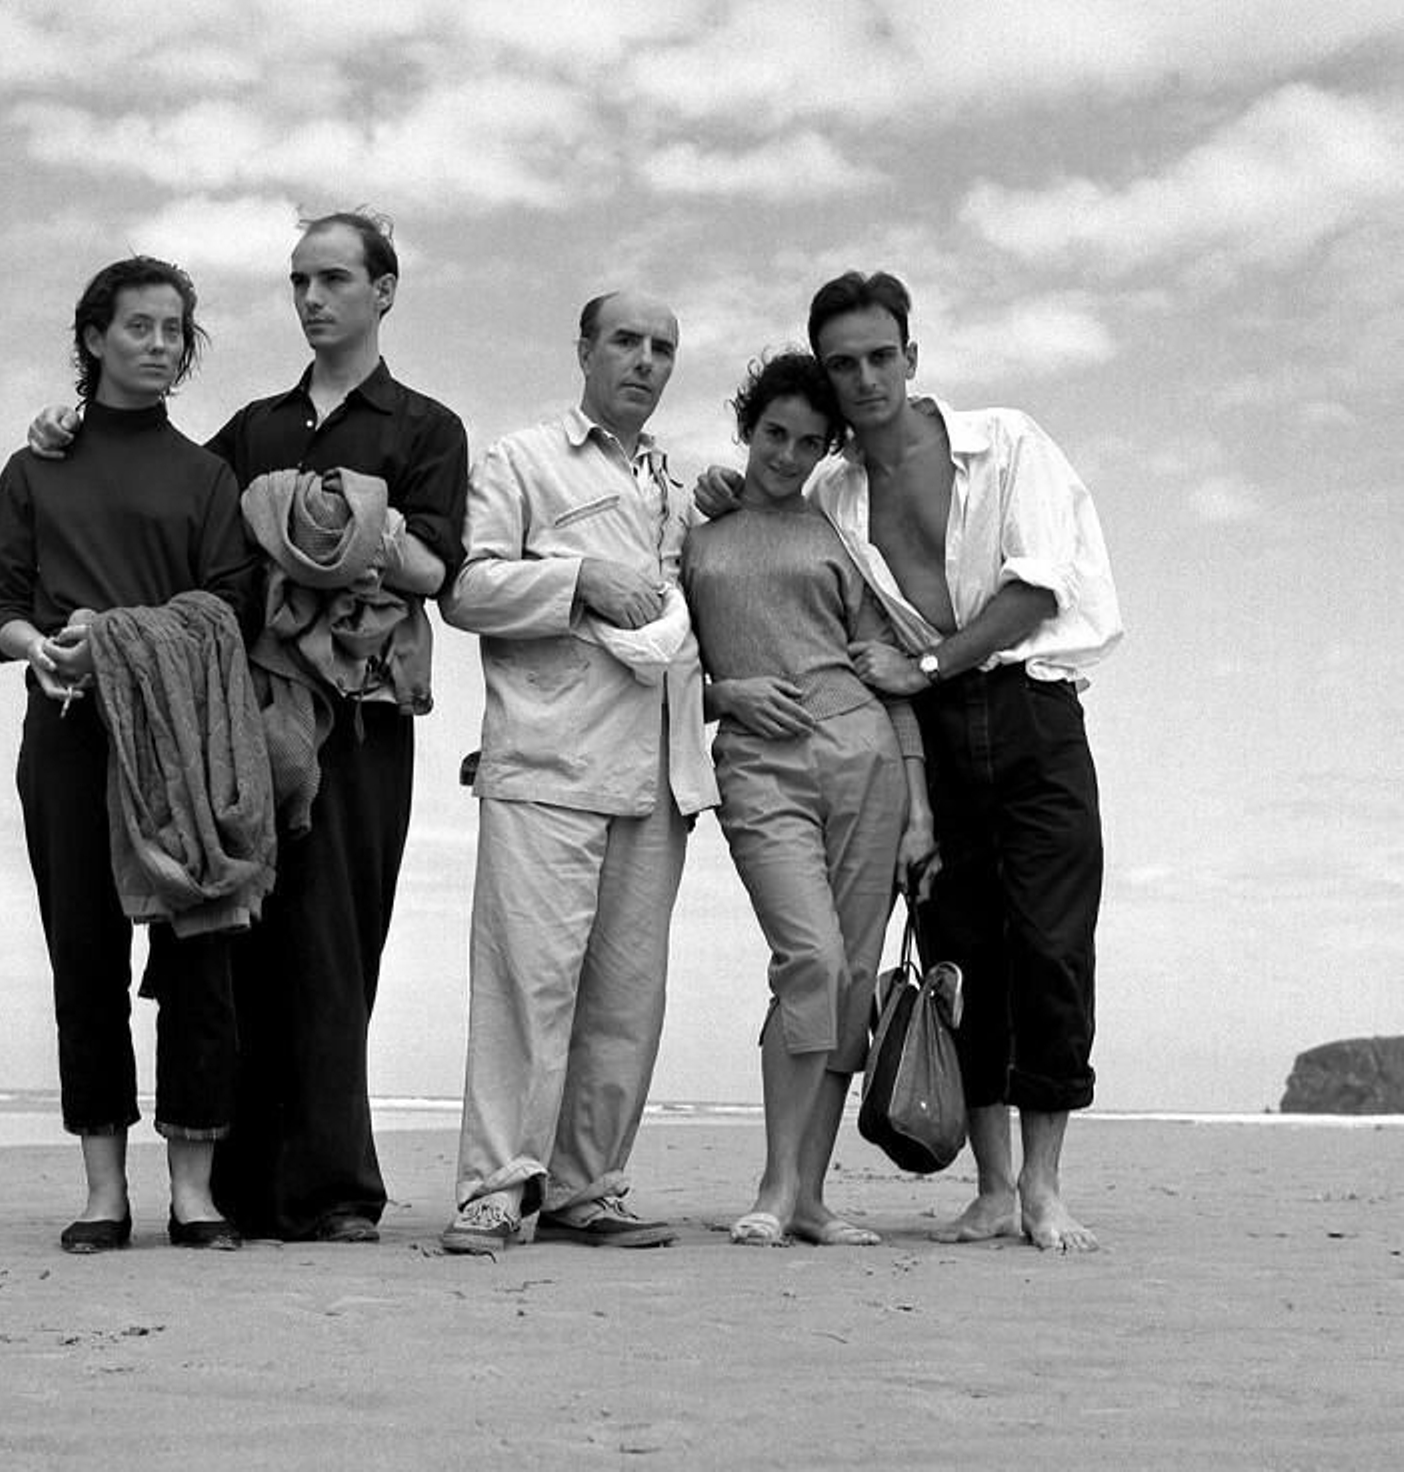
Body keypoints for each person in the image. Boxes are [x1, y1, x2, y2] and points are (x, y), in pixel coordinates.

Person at [27, 211, 469, 1242]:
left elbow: (436, 568)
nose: (312, 300)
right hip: (244, 717)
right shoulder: (256, 427)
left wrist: (346, 532)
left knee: (336, 945)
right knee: (239, 942)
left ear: (384, 291)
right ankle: (234, 1184)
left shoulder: (423, 426)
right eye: (298, 282)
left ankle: (334, 1190)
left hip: (358, 721)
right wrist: (66, 426)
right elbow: (169, 493)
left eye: (334, 280)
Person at [699, 272, 1121, 1251]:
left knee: (1052, 945)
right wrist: (719, 492)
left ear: (912, 355)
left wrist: (928, 658)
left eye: (879, 356)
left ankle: (1046, 1187)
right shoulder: (834, 491)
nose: (863, 378)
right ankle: (990, 1185)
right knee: (956, 953)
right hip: (926, 730)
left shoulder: (1004, 442)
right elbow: (759, 514)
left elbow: (1036, 588)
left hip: (1031, 709)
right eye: (842, 363)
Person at [0, 256, 261, 1252]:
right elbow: (0, 609)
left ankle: (194, 1191)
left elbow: (231, 602)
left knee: (199, 954)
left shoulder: (204, 475)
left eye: (172, 329)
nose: (156, 343)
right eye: (137, 325)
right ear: (94, 336)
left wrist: (128, 636)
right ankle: (105, 1190)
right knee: (85, 958)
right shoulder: (36, 469)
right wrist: (44, 648)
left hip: (182, 737)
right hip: (66, 733)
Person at [436, 290, 719, 1254]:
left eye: (663, 348)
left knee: (627, 996)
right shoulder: (522, 460)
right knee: (527, 986)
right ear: (585, 351)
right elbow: (465, 590)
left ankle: (584, 1188)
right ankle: (491, 1188)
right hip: (548, 762)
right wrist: (578, 580)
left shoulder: (673, 489)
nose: (645, 361)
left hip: (659, 772)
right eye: (627, 342)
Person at [682, 352, 938, 1248]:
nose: (786, 456)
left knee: (851, 980)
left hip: (864, 758)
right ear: (747, 429)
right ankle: (774, 1184)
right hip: (757, 765)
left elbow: (891, 672)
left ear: (828, 448)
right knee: (812, 960)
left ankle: (810, 1197)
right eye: (772, 435)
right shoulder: (695, 533)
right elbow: (666, 667)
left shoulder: (838, 533)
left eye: (806, 442)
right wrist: (725, 696)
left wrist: (920, 807)